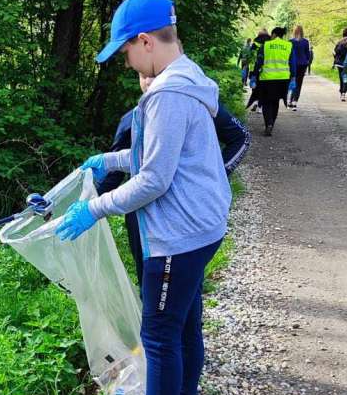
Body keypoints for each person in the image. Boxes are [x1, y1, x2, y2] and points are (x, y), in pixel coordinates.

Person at [56, 0, 232, 395]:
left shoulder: (168, 95)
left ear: (146, 41)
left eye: (126, 51)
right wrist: (109, 159)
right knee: (183, 323)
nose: (125, 61)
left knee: (158, 333)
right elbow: (153, 156)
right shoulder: (187, 81)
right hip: (202, 225)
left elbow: (154, 180)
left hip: (179, 234)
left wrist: (95, 208)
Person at [97, 71, 250, 289]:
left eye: (155, 75)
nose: (149, 81)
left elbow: (241, 138)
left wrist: (214, 175)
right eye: (144, 76)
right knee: (150, 286)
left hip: (189, 213)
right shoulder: (132, 120)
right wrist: (90, 205)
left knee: (186, 286)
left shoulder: (196, 104)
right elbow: (113, 176)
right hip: (142, 216)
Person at [254, 25, 295, 136]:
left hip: (267, 78)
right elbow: (292, 63)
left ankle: (269, 124)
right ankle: (272, 123)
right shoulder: (288, 45)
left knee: (266, 102)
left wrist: (254, 75)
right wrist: (293, 77)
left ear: (274, 34)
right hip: (283, 79)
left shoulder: (266, 45)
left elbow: (259, 61)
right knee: (275, 101)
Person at [289, 24, 312, 110]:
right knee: (299, 83)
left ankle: (290, 101)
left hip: (292, 65)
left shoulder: (290, 41)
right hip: (302, 64)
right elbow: (308, 54)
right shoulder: (305, 42)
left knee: (292, 82)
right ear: (302, 31)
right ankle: (294, 102)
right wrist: (307, 63)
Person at [247, 31, 269, 112]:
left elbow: (249, 55)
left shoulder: (254, 44)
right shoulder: (268, 45)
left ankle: (256, 102)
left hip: (253, 69)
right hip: (263, 69)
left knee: (254, 86)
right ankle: (260, 105)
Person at [333, 28, 347, 101]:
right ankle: (343, 92)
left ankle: (342, 91)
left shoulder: (340, 42)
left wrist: (335, 58)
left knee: (342, 77)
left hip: (340, 63)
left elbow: (335, 52)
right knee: (346, 77)